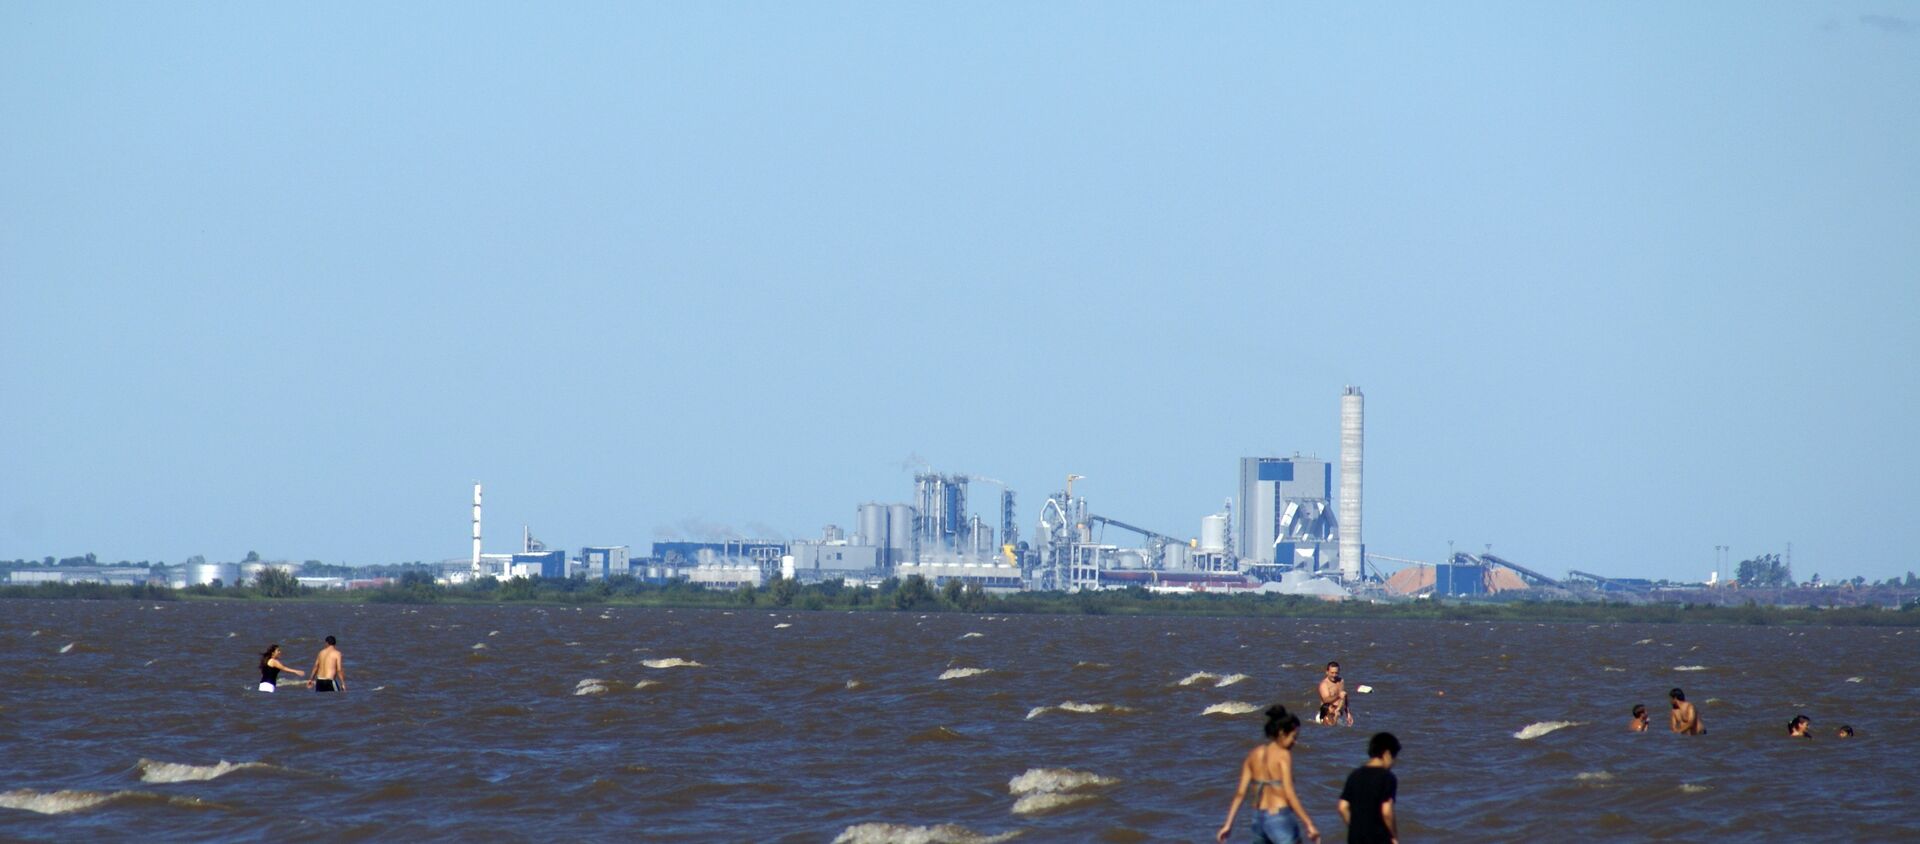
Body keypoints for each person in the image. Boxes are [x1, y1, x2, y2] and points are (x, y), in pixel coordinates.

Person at [1217, 705, 1320, 844]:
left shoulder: (1253, 755)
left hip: (1258, 819)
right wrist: (1309, 824)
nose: (1295, 742)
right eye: (1293, 737)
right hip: (1279, 817)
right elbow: (1289, 794)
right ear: (1282, 733)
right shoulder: (1283, 755)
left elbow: (1240, 793)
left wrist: (1228, 825)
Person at [1337, 732, 1401, 844]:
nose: (1393, 763)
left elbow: (1342, 807)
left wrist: (1356, 828)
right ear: (1386, 754)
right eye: (1394, 756)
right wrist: (1394, 837)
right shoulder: (1387, 777)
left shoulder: (1354, 775)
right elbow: (1386, 811)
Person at [1318, 662, 1352, 726]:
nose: (1334, 675)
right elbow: (1326, 700)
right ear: (1327, 672)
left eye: (1336, 673)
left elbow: (1344, 697)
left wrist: (1348, 713)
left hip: (1338, 713)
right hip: (1327, 715)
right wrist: (1338, 695)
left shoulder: (1341, 681)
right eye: (1332, 673)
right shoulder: (1324, 684)